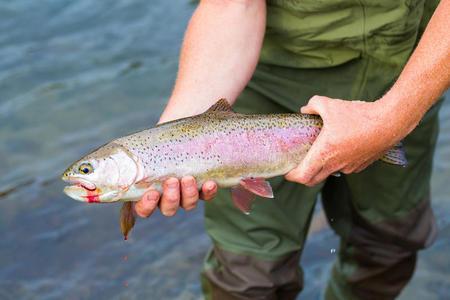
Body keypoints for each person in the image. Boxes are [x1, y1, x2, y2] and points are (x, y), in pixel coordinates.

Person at [134, 0, 450, 299]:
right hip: (265, 90)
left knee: (389, 243)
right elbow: (233, 4)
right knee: (247, 276)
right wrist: (176, 135)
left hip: (412, 73)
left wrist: (394, 117)